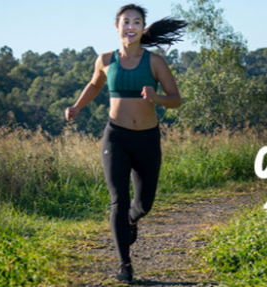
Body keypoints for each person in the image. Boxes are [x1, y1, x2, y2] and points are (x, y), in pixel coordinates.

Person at [64, 4, 186, 283]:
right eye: (126, 21)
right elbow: (95, 85)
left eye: (136, 22)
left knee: (143, 204)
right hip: (115, 137)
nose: (130, 26)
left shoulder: (154, 62)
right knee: (118, 201)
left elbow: (176, 99)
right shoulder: (106, 60)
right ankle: (124, 266)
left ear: (143, 28)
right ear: (117, 27)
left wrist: (156, 98)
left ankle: (132, 220)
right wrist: (77, 107)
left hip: (147, 139)